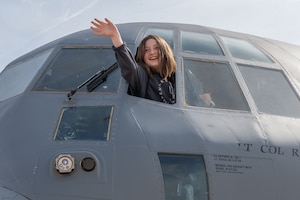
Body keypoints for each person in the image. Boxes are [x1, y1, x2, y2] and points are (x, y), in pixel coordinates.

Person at [90, 18, 176, 104]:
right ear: (142, 56)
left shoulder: (173, 78)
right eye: (146, 50)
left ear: (165, 51)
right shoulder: (143, 76)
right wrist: (116, 37)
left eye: (156, 48)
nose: (152, 52)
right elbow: (130, 68)